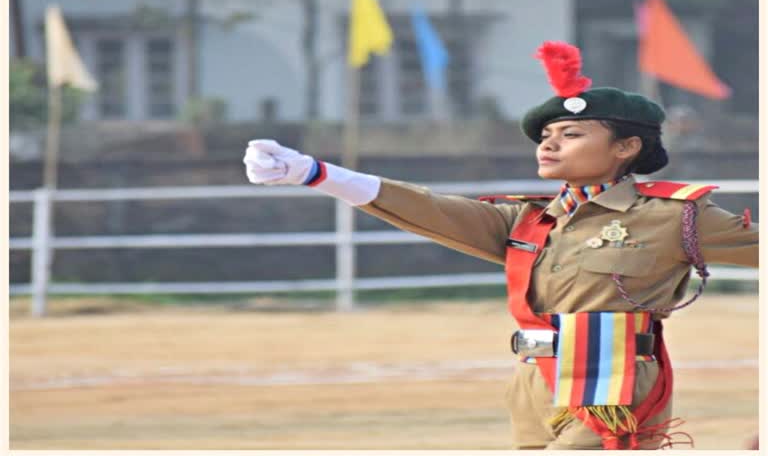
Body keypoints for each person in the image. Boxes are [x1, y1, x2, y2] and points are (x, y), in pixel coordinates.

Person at [242, 41, 758, 450]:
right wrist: (317, 173)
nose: (549, 143)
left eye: (572, 133)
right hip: (533, 382)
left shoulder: (674, 216)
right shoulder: (528, 220)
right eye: (546, 134)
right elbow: (429, 210)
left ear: (627, 147)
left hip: (612, 388)